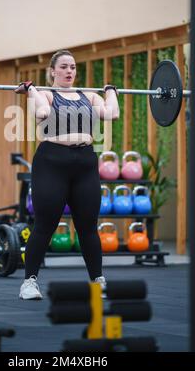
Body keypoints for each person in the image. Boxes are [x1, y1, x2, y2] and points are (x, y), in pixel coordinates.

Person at [15, 50, 120, 299]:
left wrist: (111, 91)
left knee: (87, 226)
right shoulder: (45, 95)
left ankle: (98, 280)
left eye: (72, 67)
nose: (69, 71)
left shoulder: (89, 96)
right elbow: (41, 113)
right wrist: (30, 90)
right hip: (52, 162)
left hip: (85, 163)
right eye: (63, 67)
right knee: (45, 225)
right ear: (52, 71)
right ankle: (29, 282)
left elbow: (112, 113)